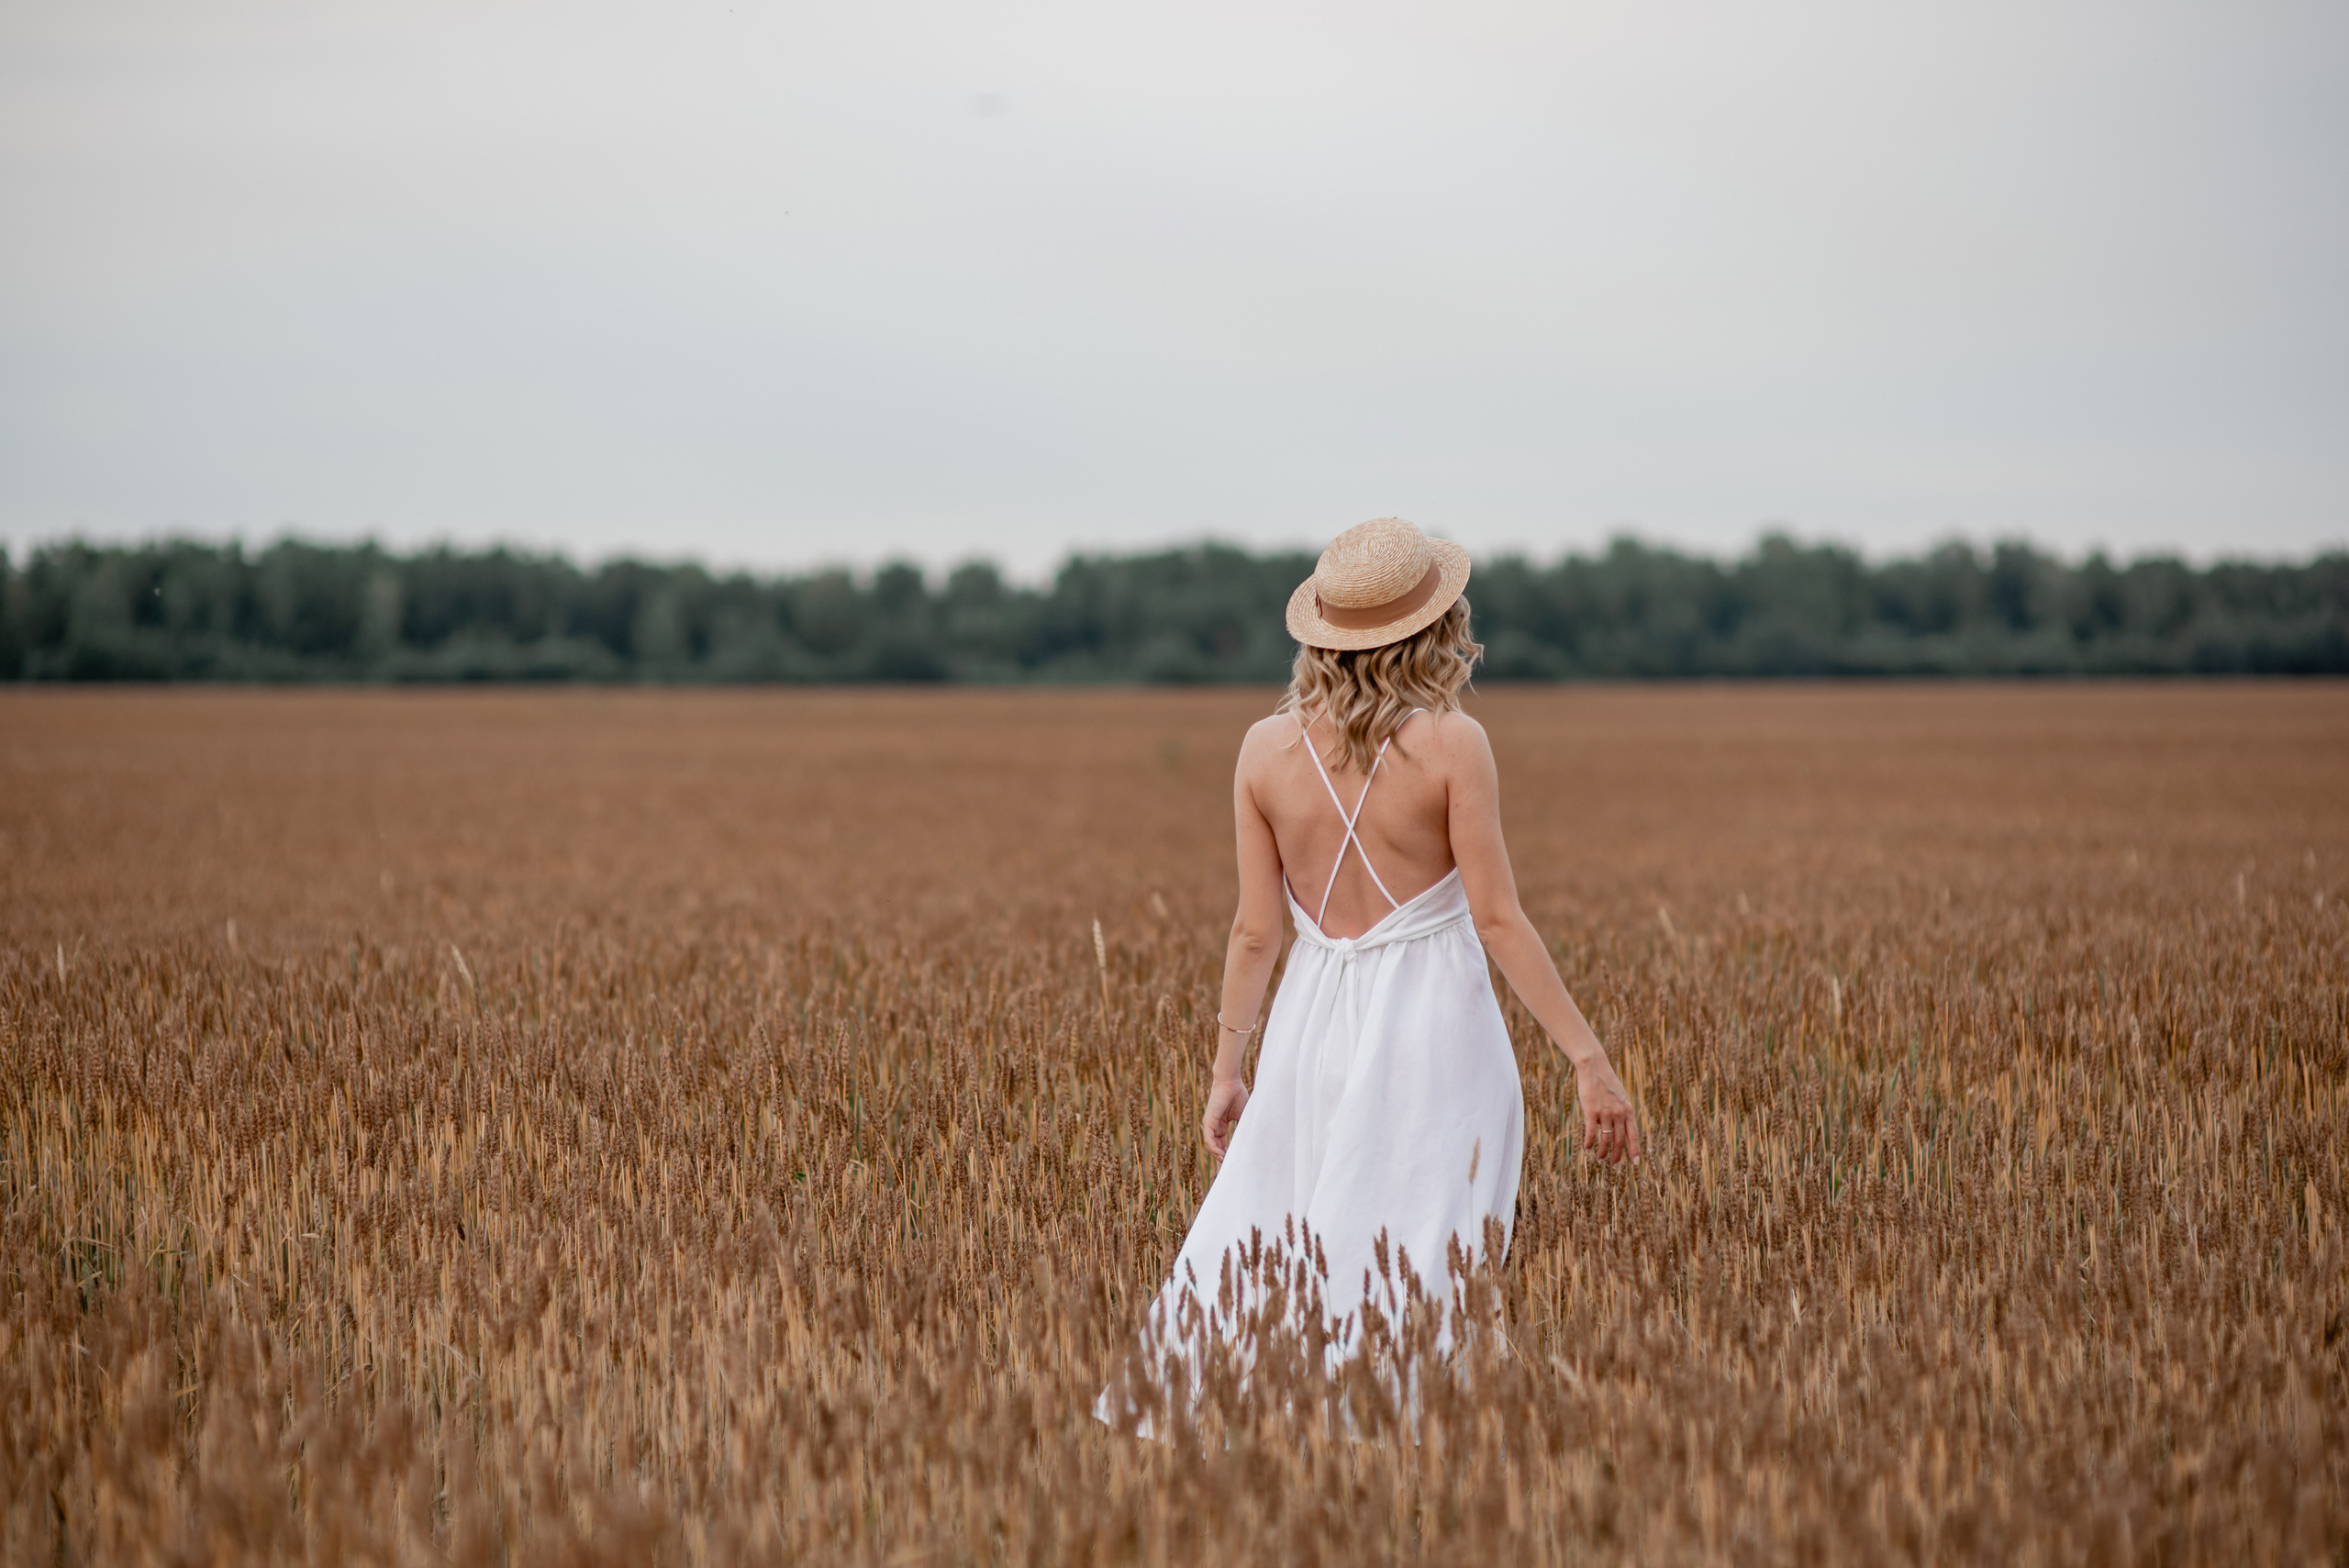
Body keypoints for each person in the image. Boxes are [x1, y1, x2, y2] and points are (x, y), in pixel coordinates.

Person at [1107, 517, 1642, 1421]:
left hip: (1310, 1024)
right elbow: (1498, 917)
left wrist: (1229, 1070)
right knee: (1427, 1255)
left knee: (1292, 1235)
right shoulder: (1451, 745)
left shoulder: (1262, 751)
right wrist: (1587, 1057)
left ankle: (1279, 1433)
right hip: (1435, 1023)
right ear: (1433, 631)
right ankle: (1410, 1454)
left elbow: (1251, 931)